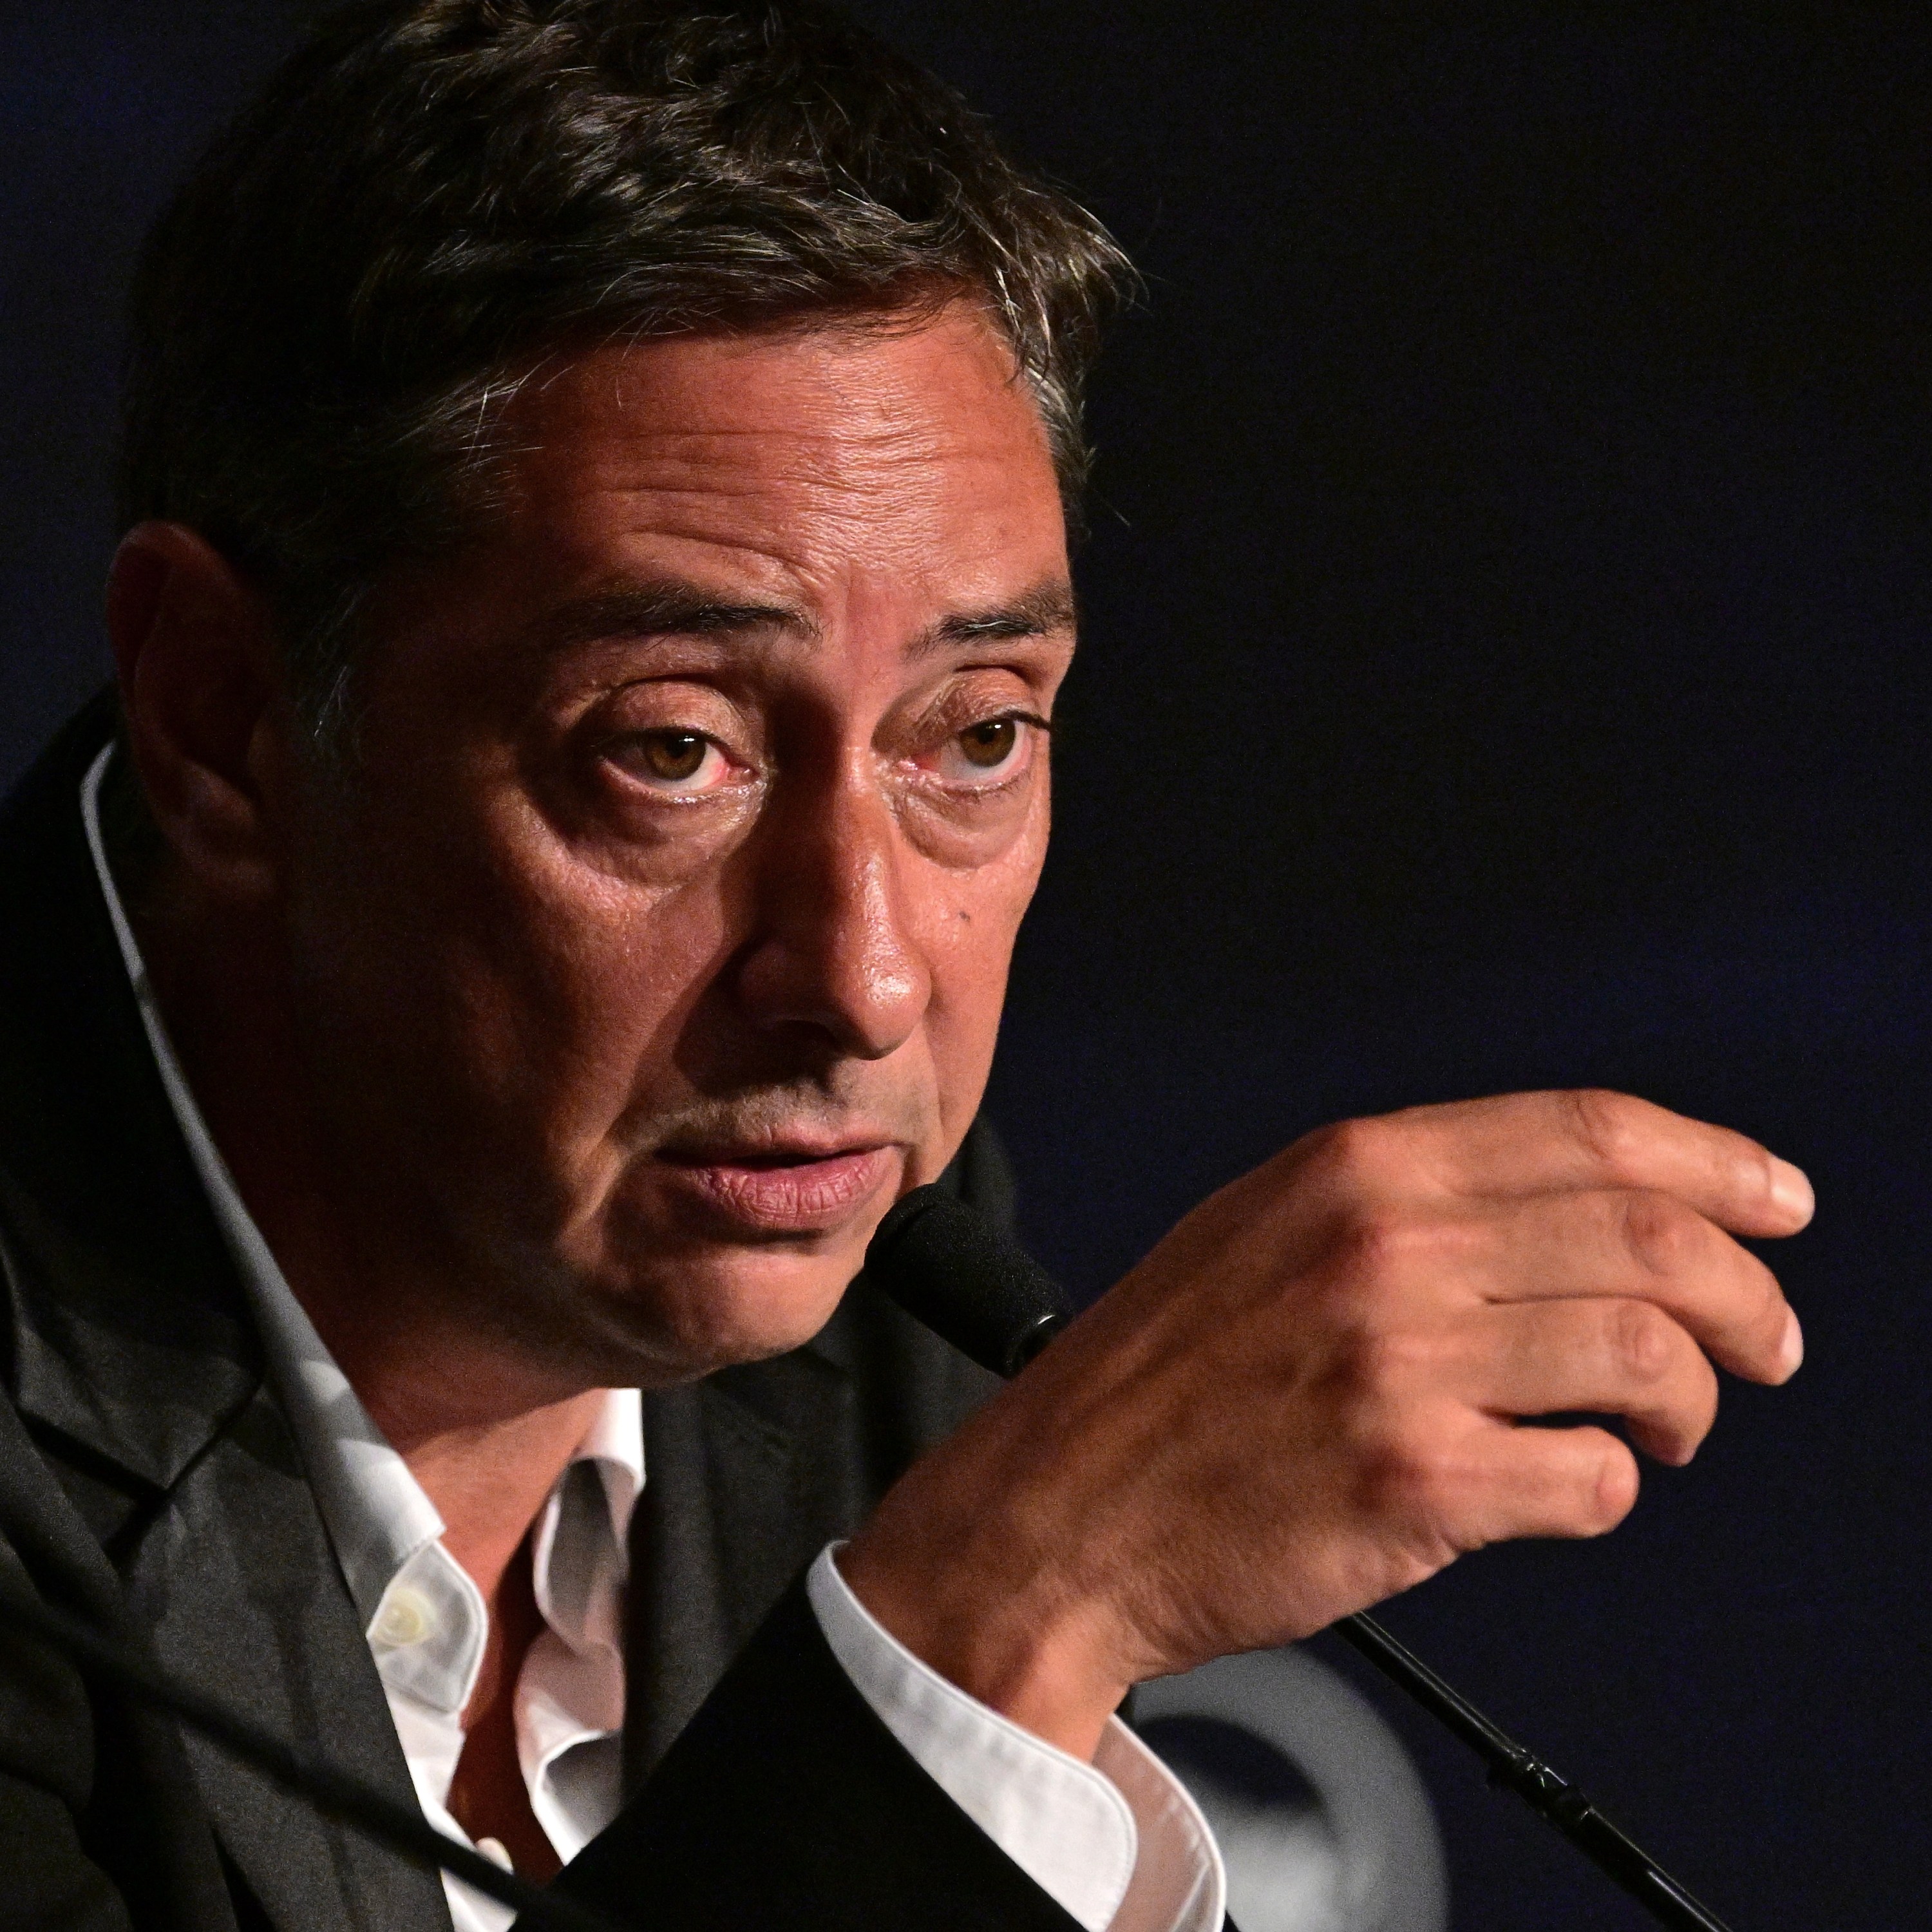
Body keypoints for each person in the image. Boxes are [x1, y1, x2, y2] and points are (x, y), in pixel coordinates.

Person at [0, 3, 1813, 1929]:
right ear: (220, 718)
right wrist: (1000, 1627)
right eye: (673, 748)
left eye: (972, 737)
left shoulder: (866, 1282)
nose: (861, 980)